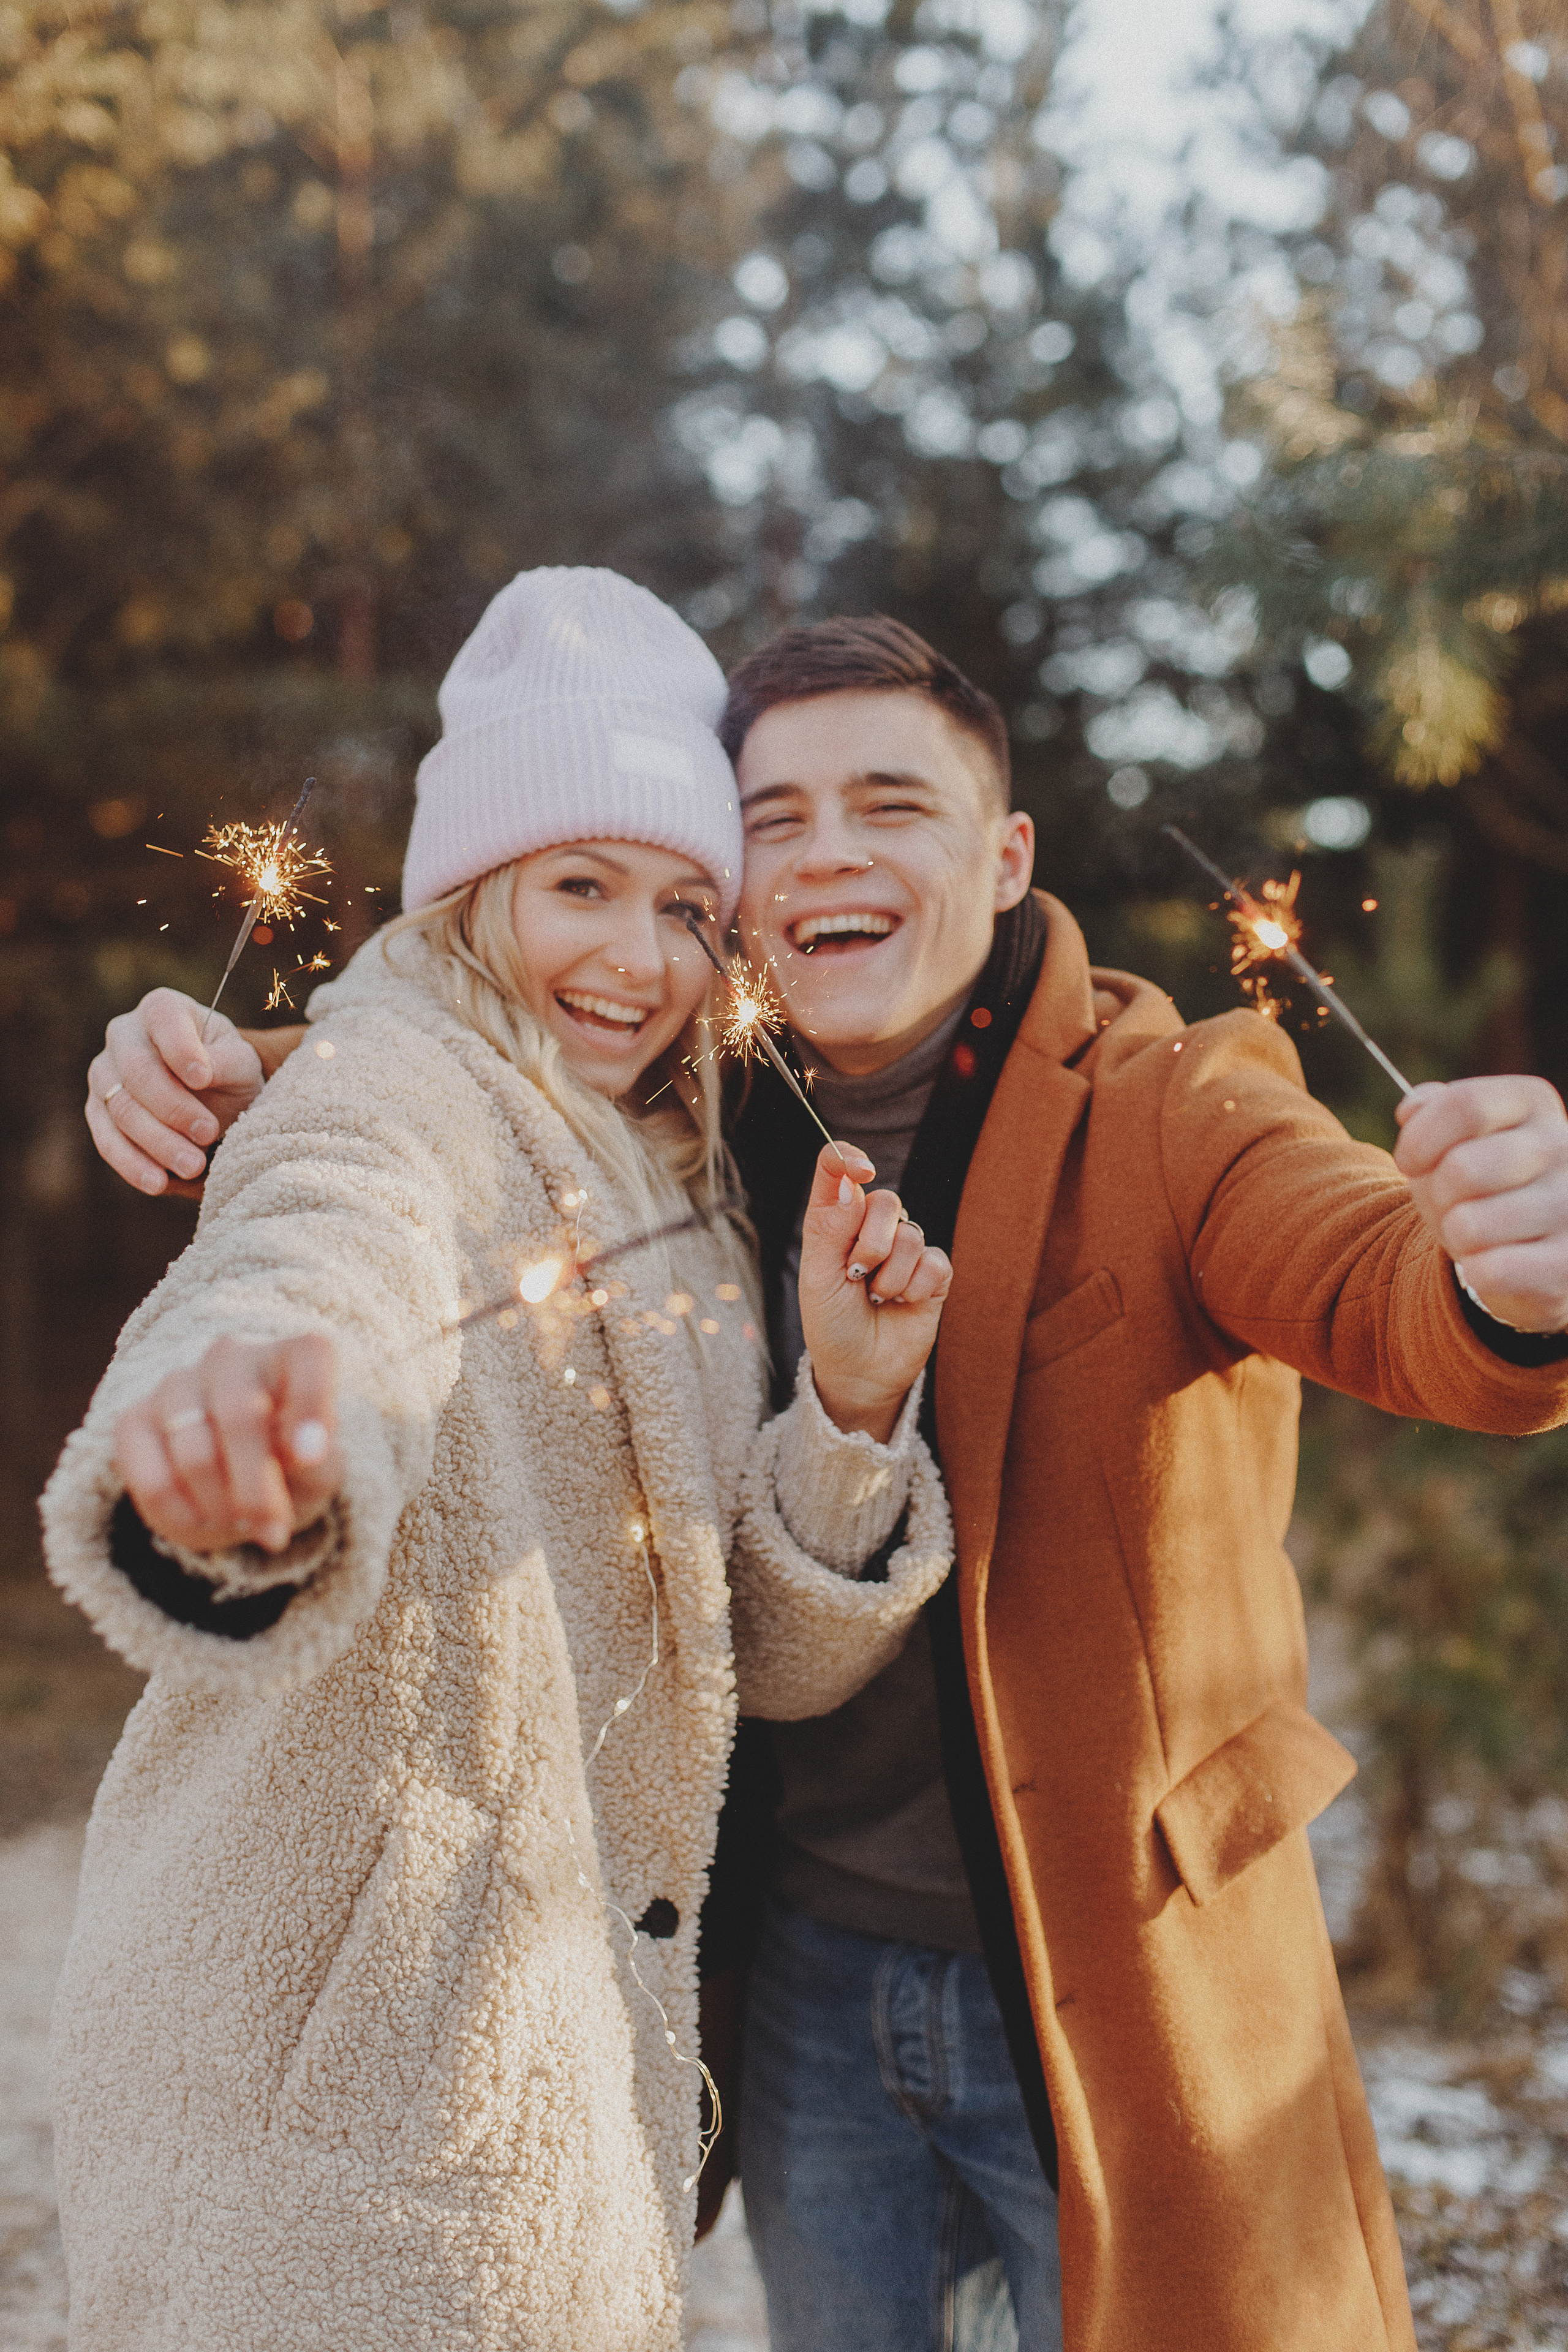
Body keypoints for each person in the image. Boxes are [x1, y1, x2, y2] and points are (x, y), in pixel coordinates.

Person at [85, 612, 1568, 2352]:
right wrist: (221, 1083)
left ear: (1006, 856)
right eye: (770, 822)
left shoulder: (1178, 1096)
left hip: (1119, 1985)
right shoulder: (715, 1102)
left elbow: (1379, 1284)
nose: (828, 853)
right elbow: (419, 1128)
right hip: (802, 1994)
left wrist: (1505, 1278)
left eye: (891, 803)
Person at [42, 570, 959, 2352]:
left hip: (554, 2107)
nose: (639, 960)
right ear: (478, 889)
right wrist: (260, 1439)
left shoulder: (686, 1189)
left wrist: (848, 1418)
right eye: (582, 888)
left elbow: (744, 1665)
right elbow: (320, 1248)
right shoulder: (390, 1092)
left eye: (689, 907)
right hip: (322, 2114)